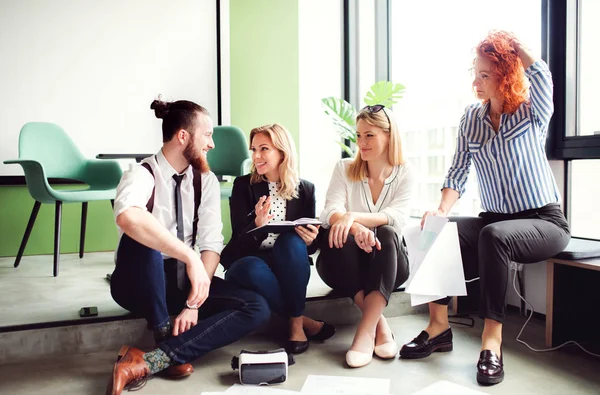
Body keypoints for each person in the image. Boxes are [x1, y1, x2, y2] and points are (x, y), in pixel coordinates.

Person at [398, 31, 571, 386]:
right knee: (432, 228)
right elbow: (457, 171)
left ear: (504, 75)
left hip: (544, 221)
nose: (475, 82)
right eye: (474, 73)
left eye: (485, 75)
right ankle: (438, 327)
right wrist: (441, 210)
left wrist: (514, 48)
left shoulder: (531, 112)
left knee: (494, 235)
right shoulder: (471, 120)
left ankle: (492, 340)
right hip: (495, 221)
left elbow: (542, 75)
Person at [106, 99, 270, 395]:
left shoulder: (204, 180)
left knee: (256, 307)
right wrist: (188, 256)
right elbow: (128, 216)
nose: (212, 144)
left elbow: (210, 241)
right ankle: (161, 332)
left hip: (183, 281)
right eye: (207, 135)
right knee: (143, 233)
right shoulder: (140, 173)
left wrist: (194, 300)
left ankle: (154, 359)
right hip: (138, 283)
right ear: (183, 136)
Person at [220, 123, 335, 355]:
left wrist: (311, 240)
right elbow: (238, 243)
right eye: (253, 149)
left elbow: (308, 251)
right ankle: (300, 322)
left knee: (292, 242)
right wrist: (257, 226)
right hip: (248, 260)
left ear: (282, 152)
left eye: (264, 149)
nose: (256, 156)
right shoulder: (243, 186)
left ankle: (295, 323)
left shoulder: (306, 190)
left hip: (286, 261)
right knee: (251, 267)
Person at [317, 105, 415, 367]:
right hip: (344, 264)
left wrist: (353, 216)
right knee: (342, 234)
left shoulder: (405, 172)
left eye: (369, 135)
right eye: (358, 135)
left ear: (389, 134)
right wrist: (354, 226)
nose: (361, 142)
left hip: (389, 264)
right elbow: (329, 212)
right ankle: (378, 325)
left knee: (388, 231)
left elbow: (397, 217)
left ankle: (363, 333)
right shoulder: (345, 167)